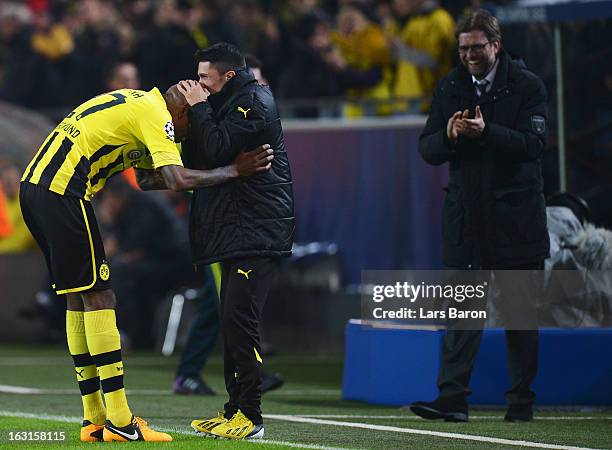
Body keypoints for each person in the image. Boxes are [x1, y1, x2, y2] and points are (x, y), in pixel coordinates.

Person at [19, 83, 273, 442]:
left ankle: (94, 420)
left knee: (79, 299)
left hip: (36, 187)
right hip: (64, 189)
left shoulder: (139, 103)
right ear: (181, 112)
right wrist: (234, 171)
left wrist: (201, 170)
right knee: (100, 297)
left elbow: (146, 178)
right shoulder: (158, 116)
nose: (189, 134)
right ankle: (121, 421)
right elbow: (176, 179)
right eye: (193, 124)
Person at [410, 9, 549, 423]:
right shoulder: (451, 86)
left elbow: (534, 145)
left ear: (496, 45)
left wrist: (487, 133)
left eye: (476, 47)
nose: (469, 55)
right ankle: (452, 400)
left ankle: (520, 404)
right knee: (460, 317)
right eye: (463, 48)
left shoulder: (526, 85)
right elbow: (427, 149)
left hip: (516, 221)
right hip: (467, 220)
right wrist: (450, 135)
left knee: (520, 320)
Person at [178, 42, 295, 440]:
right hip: (235, 229)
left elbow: (217, 148)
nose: (198, 87)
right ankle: (235, 412)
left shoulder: (254, 100)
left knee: (241, 321)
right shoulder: (224, 104)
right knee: (232, 321)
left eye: (204, 80)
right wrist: (193, 117)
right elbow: (198, 159)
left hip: (258, 231)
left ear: (228, 76)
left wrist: (197, 108)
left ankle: (252, 416)